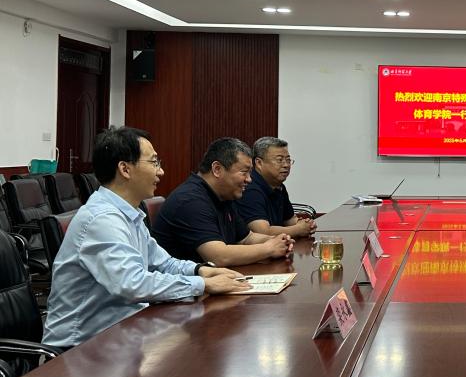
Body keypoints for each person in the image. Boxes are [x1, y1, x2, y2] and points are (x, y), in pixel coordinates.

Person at [42, 127, 251, 348]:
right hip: (80, 347)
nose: (161, 172)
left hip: (122, 333)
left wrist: (200, 270)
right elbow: (132, 284)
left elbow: (163, 263)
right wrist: (202, 284)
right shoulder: (102, 220)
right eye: (154, 162)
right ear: (125, 169)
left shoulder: (129, 214)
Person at [153, 137, 293, 266]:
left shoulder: (224, 196)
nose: (249, 179)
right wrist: (269, 249)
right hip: (187, 283)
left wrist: (278, 241)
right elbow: (218, 257)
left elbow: (246, 238)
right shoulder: (190, 200)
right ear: (217, 169)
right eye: (244, 172)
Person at [237, 136, 317, 238]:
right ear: (259, 163)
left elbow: (289, 219)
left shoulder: (278, 185)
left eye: (288, 160)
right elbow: (262, 231)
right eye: (280, 160)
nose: (286, 165)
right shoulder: (249, 188)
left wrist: (306, 224)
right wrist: (298, 229)